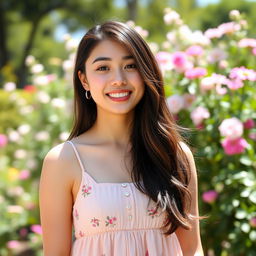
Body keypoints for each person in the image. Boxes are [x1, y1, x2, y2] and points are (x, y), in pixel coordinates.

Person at [39, 20, 204, 256]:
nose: (118, 79)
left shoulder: (173, 154)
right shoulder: (63, 161)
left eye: (130, 66)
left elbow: (193, 250)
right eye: (103, 68)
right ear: (84, 79)